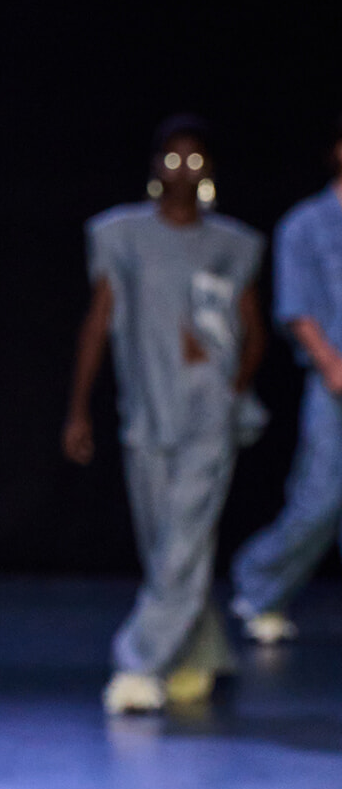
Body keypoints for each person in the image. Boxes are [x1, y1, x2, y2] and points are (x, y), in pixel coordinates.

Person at [63, 115, 266, 713]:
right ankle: (199, 651)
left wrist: (231, 388)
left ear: (209, 170)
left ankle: (138, 664)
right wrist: (78, 410)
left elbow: (253, 330)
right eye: (172, 159)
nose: (183, 171)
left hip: (208, 409)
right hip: (147, 406)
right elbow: (99, 321)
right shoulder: (122, 235)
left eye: (194, 160)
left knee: (183, 542)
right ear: (156, 167)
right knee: (165, 546)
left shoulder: (232, 243)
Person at [231, 113, 342, 642]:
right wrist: (331, 364)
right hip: (333, 381)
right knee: (320, 498)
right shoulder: (306, 224)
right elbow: (297, 307)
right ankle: (258, 584)